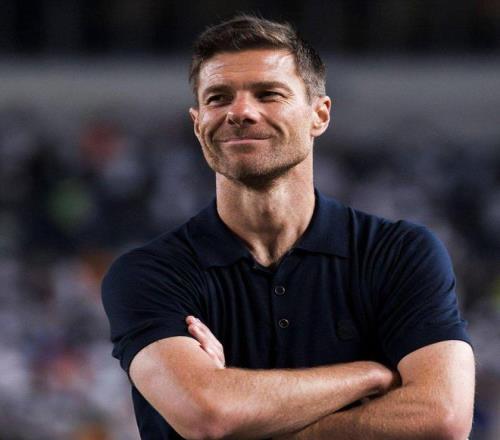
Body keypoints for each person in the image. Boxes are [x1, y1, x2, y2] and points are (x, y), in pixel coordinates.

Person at [101, 14, 475, 440]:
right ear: (197, 123)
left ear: (320, 115)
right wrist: (370, 375)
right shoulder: (148, 273)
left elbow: (443, 417)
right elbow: (208, 416)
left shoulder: (400, 253)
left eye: (268, 94)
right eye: (219, 98)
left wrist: (244, 411)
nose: (240, 112)